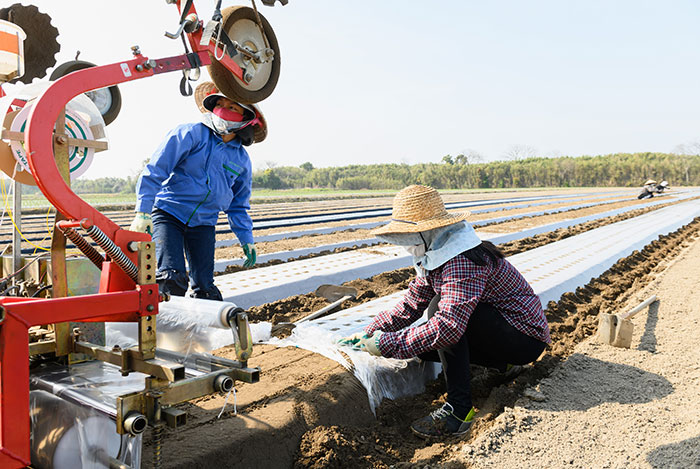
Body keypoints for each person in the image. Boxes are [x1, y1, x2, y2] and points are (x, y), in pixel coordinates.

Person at [341, 185, 550, 439]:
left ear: (428, 230)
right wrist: (372, 331)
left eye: (409, 235)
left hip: (524, 337)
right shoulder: (435, 256)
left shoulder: (462, 260)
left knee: (438, 312)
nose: (407, 243)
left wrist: (387, 344)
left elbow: (448, 326)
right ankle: (502, 364)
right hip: (501, 334)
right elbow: (410, 305)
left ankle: (458, 412)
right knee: (425, 345)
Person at [129, 82, 266, 300]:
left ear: (246, 118)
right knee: (171, 277)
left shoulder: (241, 159)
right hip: (169, 214)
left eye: (232, 107)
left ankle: (201, 330)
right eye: (220, 104)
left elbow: (238, 205)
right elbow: (155, 170)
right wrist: (143, 211)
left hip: (204, 223)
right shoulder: (191, 134)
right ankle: (166, 331)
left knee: (205, 286)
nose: (222, 110)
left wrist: (246, 237)